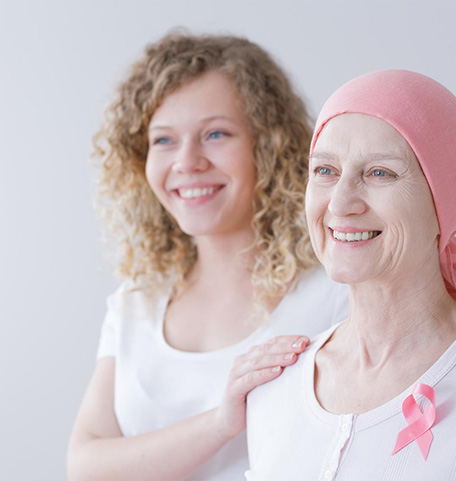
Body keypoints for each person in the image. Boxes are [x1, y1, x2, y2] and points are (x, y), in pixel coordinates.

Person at [66, 32, 348, 481]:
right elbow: (85, 466)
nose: (187, 161)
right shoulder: (137, 301)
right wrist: (220, 422)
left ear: (268, 147)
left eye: (215, 134)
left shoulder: (336, 290)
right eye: (163, 140)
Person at [246, 69, 456, 480]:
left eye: (380, 173)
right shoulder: (274, 387)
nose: (341, 203)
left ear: (444, 201)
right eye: (325, 171)